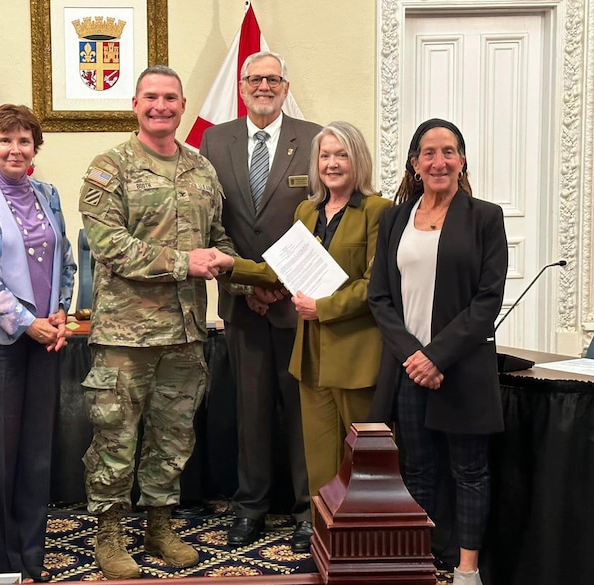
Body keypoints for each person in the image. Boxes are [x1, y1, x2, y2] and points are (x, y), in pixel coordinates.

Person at [78, 65, 236, 580]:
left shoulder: (201, 170)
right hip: (126, 335)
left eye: (170, 98)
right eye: (151, 97)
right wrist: (183, 262)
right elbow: (109, 247)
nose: (161, 106)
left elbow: (218, 236)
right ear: (135, 104)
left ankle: (159, 525)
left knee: (173, 438)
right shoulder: (110, 168)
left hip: (187, 332)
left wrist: (230, 264)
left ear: (183, 104)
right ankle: (109, 534)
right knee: (115, 438)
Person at [209, 121, 392, 522]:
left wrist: (323, 309)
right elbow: (281, 270)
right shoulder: (306, 210)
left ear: (357, 160)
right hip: (310, 354)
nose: (332, 163)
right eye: (325, 155)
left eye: (341, 154)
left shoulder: (379, 210)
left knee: (361, 451)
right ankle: (320, 523)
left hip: (356, 354)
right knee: (319, 450)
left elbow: (375, 286)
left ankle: (364, 528)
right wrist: (231, 265)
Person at [367, 119, 508, 585]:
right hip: (409, 369)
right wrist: (413, 355)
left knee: (469, 471)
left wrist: (437, 356)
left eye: (448, 151)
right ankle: (422, 561)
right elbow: (380, 297)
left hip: (461, 369)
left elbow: (487, 300)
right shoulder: (395, 218)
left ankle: (467, 571)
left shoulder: (485, 217)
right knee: (418, 470)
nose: (439, 161)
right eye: (429, 153)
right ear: (414, 163)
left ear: (462, 160)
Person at [199, 50, 321, 552]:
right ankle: (249, 508)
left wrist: (285, 284)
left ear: (285, 87)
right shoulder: (215, 139)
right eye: (255, 78)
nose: (264, 86)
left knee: (301, 411)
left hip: (300, 300)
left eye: (273, 79)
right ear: (242, 86)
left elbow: (322, 219)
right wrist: (247, 286)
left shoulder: (314, 138)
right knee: (249, 411)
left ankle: (307, 511)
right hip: (241, 303)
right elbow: (213, 223)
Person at [0, 104, 76, 583]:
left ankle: (32, 557)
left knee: (37, 453)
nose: (16, 149)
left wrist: (61, 311)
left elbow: (66, 258)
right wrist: (27, 322)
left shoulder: (48, 193)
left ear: (35, 148)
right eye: (6, 141)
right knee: (1, 456)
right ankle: (2, 566)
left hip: (47, 337)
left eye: (24, 141)